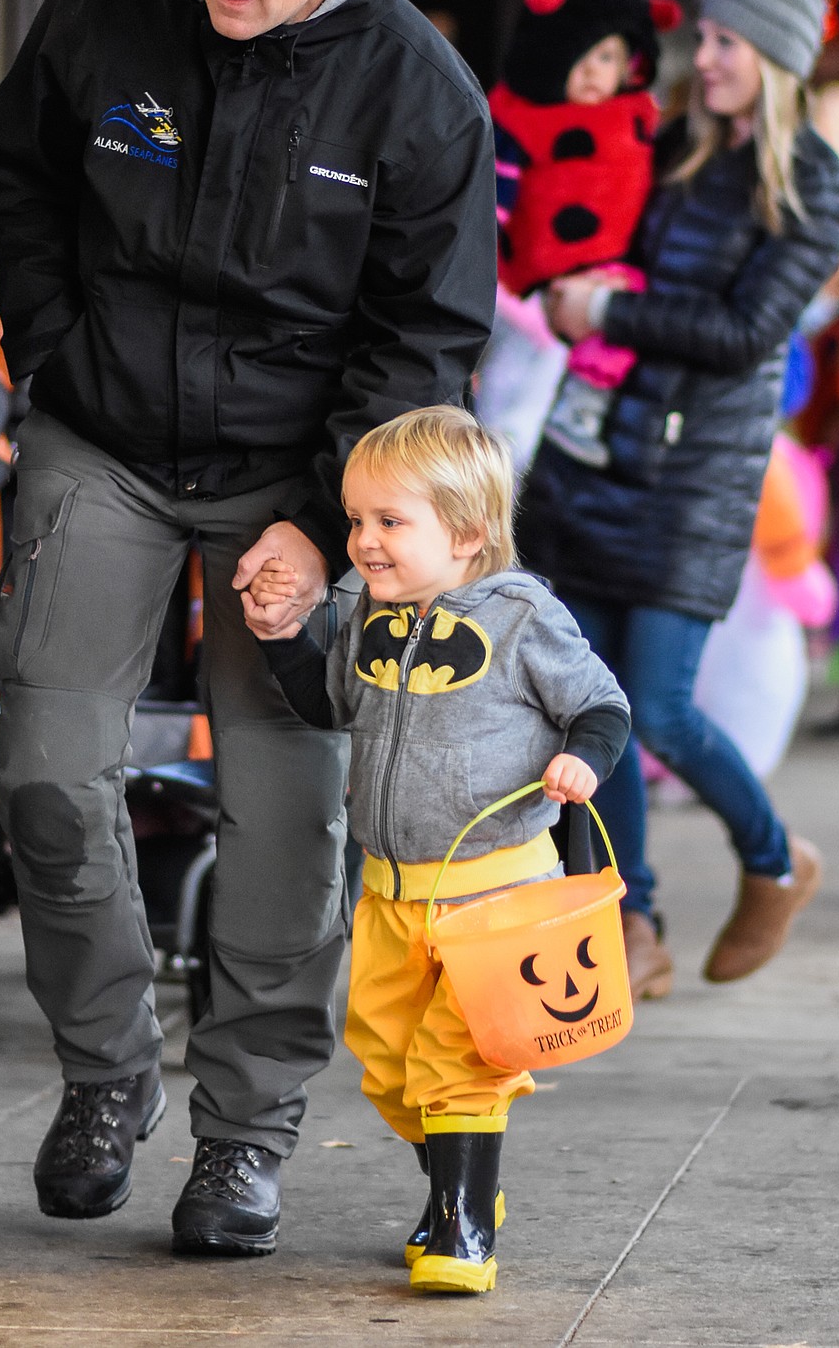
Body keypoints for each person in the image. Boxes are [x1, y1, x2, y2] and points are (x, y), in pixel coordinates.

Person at [0, 0, 497, 1256]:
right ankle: (104, 1078)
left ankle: (246, 1135)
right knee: (51, 771)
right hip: (105, 436)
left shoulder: (418, 94)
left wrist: (332, 527)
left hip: (298, 476)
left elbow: (427, 340)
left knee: (289, 818)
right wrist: (53, 341)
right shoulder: (107, 0)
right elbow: (14, 174)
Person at [518, 0, 839, 1000]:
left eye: (725, 43)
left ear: (778, 57)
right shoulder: (672, 152)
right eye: (702, 38)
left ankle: (773, 857)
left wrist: (614, 302)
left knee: (658, 708)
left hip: (691, 481)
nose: (701, 58)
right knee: (598, 707)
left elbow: (748, 332)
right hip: (596, 455)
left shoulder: (811, 184)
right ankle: (633, 921)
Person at [244, 406, 630, 1293]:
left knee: (458, 1063)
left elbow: (601, 705)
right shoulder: (373, 616)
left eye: (390, 522)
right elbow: (329, 706)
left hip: (497, 895)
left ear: (467, 534)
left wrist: (582, 758)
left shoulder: (523, 613)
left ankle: (461, 1229)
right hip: (388, 892)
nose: (364, 542)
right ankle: (469, 1183)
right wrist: (279, 642)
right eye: (356, 520)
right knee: (388, 1065)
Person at [490, 0, 681, 467]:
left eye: (610, 57)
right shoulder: (522, 119)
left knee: (601, 357)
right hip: (522, 289)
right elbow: (496, 190)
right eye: (585, 55)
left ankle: (581, 411)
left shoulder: (637, 116)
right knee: (509, 404)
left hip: (607, 275)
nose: (596, 71)